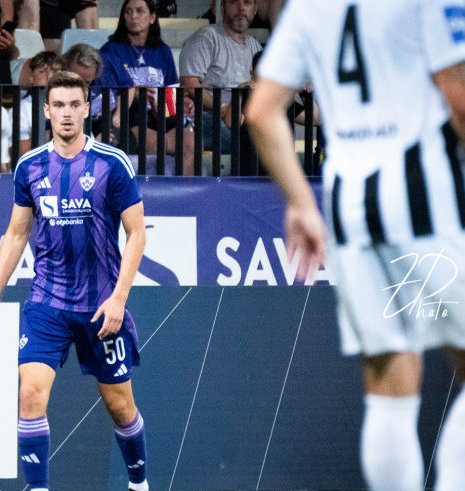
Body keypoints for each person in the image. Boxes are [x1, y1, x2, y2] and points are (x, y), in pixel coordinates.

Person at [245, 1, 465, 490]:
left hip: (350, 209)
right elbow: (460, 99)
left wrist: (300, 202)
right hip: (425, 197)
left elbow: (260, 112)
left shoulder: (308, 6)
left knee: (389, 383)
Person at [0, 70, 149, 491]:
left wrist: (118, 299)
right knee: (30, 394)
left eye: (74, 104)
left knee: (120, 406)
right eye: (59, 105)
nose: (67, 113)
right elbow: (16, 233)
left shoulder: (112, 163)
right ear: (47, 111)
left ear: (87, 109)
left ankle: (139, 485)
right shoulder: (30, 166)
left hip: (100, 306)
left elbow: (137, 234)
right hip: (47, 302)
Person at [98, 0, 192, 173]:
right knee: (156, 142)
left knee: (191, 143)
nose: (133, 16)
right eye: (128, 11)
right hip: (131, 120)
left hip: (162, 117)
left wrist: (181, 104)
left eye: (139, 11)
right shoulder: (109, 51)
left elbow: (171, 93)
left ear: (152, 17)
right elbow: (106, 98)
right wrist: (133, 94)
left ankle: (185, 190)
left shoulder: (163, 51)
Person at [179, 0, 261, 163]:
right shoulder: (206, 38)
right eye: (234, 2)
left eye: (247, 3)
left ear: (255, 9)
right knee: (244, 140)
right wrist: (223, 109)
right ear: (222, 8)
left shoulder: (255, 46)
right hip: (209, 115)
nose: (241, 8)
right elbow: (189, 84)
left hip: (244, 117)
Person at [14, 51, 61, 155]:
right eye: (42, 72)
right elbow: (23, 151)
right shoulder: (22, 108)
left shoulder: (70, 106)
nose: (50, 77)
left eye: (55, 72)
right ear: (31, 77)